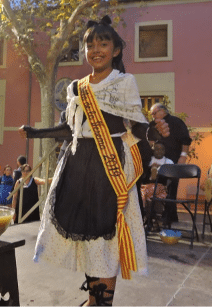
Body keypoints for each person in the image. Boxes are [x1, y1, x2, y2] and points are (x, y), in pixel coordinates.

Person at [19, 16, 169, 307]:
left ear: (115, 50)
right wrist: (36, 132)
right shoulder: (76, 88)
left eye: (103, 42)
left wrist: (154, 130)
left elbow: (135, 127)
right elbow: (69, 129)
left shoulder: (124, 82)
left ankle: (102, 302)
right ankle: (92, 300)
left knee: (105, 235)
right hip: (77, 166)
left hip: (109, 166)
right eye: (90, 43)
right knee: (87, 237)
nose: (96, 48)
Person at [149, 103, 192, 223]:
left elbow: (185, 140)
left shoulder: (176, 122)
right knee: (158, 189)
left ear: (163, 111)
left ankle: (167, 218)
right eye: (151, 114)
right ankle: (166, 216)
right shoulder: (153, 125)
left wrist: (183, 157)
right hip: (158, 162)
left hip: (173, 161)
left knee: (171, 190)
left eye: (154, 113)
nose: (152, 116)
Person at [140, 141, 174, 214]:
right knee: (141, 193)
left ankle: (153, 215)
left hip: (161, 187)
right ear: (153, 150)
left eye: (161, 149)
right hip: (146, 186)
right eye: (157, 149)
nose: (159, 151)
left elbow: (171, 179)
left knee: (155, 195)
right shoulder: (148, 160)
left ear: (164, 151)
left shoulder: (168, 162)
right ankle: (144, 214)